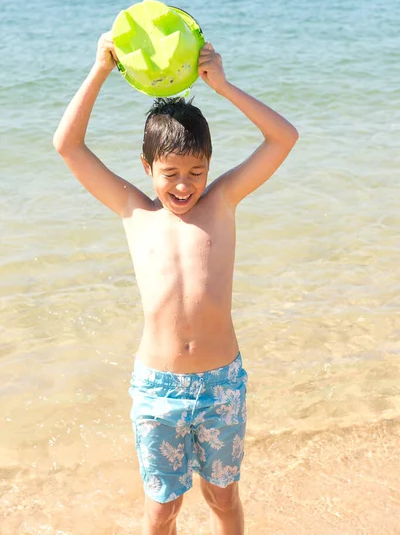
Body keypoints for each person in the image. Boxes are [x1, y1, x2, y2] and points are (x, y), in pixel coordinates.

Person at [53, 31, 298, 535]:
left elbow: (283, 137)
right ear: (147, 168)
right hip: (157, 389)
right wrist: (101, 68)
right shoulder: (133, 211)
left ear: (210, 169)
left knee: (223, 498)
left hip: (221, 383)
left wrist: (223, 87)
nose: (184, 185)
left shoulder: (223, 202)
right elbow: (67, 145)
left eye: (196, 171)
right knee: (163, 508)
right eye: (170, 173)